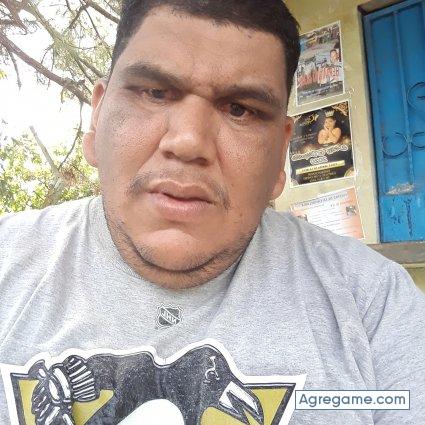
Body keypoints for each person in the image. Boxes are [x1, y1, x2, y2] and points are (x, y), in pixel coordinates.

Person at [0, 1, 424, 424]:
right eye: (155, 92)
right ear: (97, 118)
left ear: (281, 152)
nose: (188, 142)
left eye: (240, 109)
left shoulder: (373, 302)